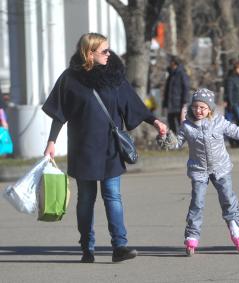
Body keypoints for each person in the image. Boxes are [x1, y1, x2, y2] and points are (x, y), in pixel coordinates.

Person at [42, 33, 167, 263]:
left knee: (113, 196)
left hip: (111, 147)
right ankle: (87, 247)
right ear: (89, 54)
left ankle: (119, 246)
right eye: (104, 51)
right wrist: (51, 141)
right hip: (84, 147)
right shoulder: (70, 78)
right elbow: (60, 114)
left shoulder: (114, 76)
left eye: (109, 50)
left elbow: (133, 103)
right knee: (86, 199)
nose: (110, 54)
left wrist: (155, 121)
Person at [157, 88, 239, 256]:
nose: (198, 111)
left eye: (203, 108)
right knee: (197, 203)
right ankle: (192, 235)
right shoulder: (187, 126)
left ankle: (235, 228)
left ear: (210, 109)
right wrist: (165, 137)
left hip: (221, 168)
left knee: (228, 199)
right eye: (195, 107)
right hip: (199, 171)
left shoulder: (220, 122)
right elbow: (176, 144)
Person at [162, 55, 190, 133]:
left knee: (181, 124)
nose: (168, 63)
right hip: (170, 104)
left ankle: (182, 140)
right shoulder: (170, 74)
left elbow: (186, 88)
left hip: (179, 105)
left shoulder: (182, 73)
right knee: (171, 124)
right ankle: (174, 140)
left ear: (174, 63)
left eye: (170, 61)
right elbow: (167, 90)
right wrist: (165, 104)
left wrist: (184, 103)